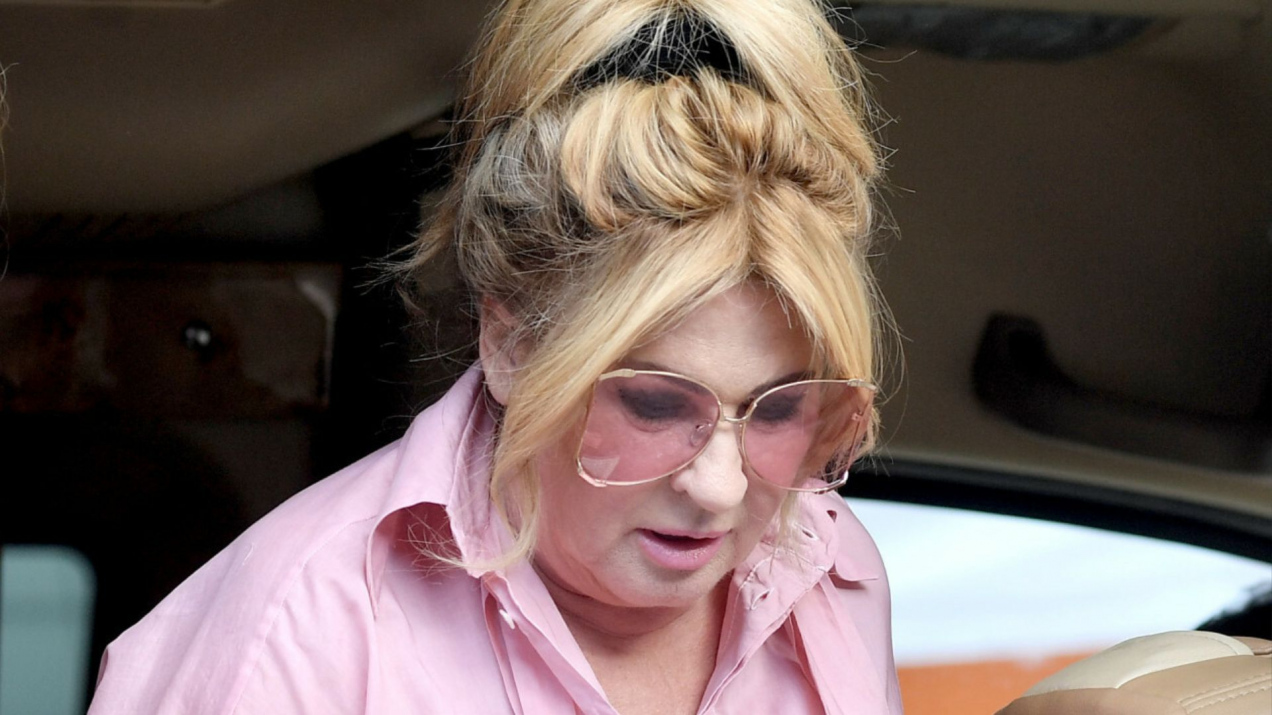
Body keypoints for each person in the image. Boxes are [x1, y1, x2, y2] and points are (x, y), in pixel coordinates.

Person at [88, 0, 900, 712]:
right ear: (510, 345)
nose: (722, 488)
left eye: (782, 408)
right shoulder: (291, 634)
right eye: (654, 403)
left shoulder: (829, 565)